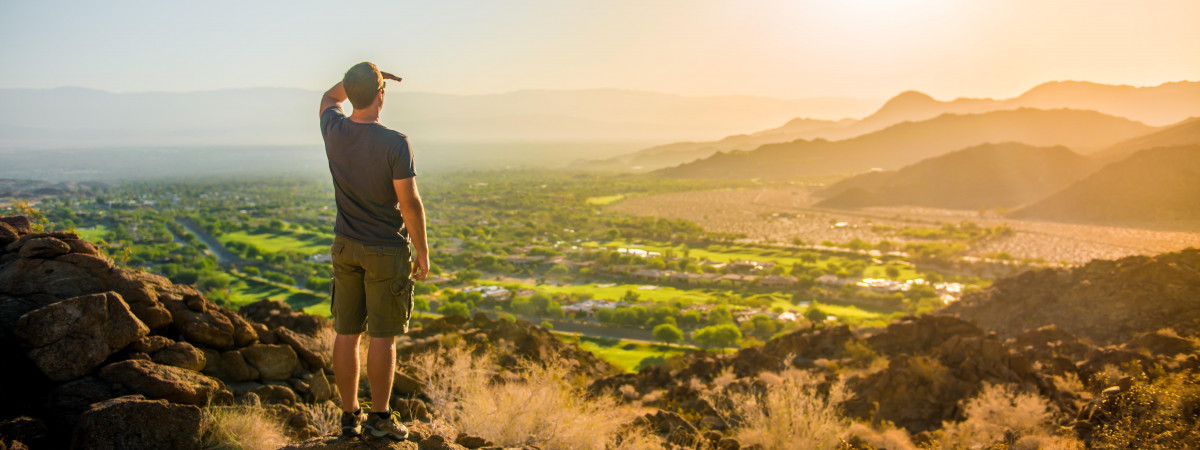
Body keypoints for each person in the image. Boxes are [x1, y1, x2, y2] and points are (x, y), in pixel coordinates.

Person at [318, 62, 429, 441]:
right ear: (382, 94)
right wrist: (423, 251)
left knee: (346, 332)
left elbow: (330, 97)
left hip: (345, 246)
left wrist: (359, 82)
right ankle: (380, 419)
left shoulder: (333, 129)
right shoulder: (395, 142)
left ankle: (349, 418)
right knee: (383, 335)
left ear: (352, 93)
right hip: (385, 249)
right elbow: (409, 203)